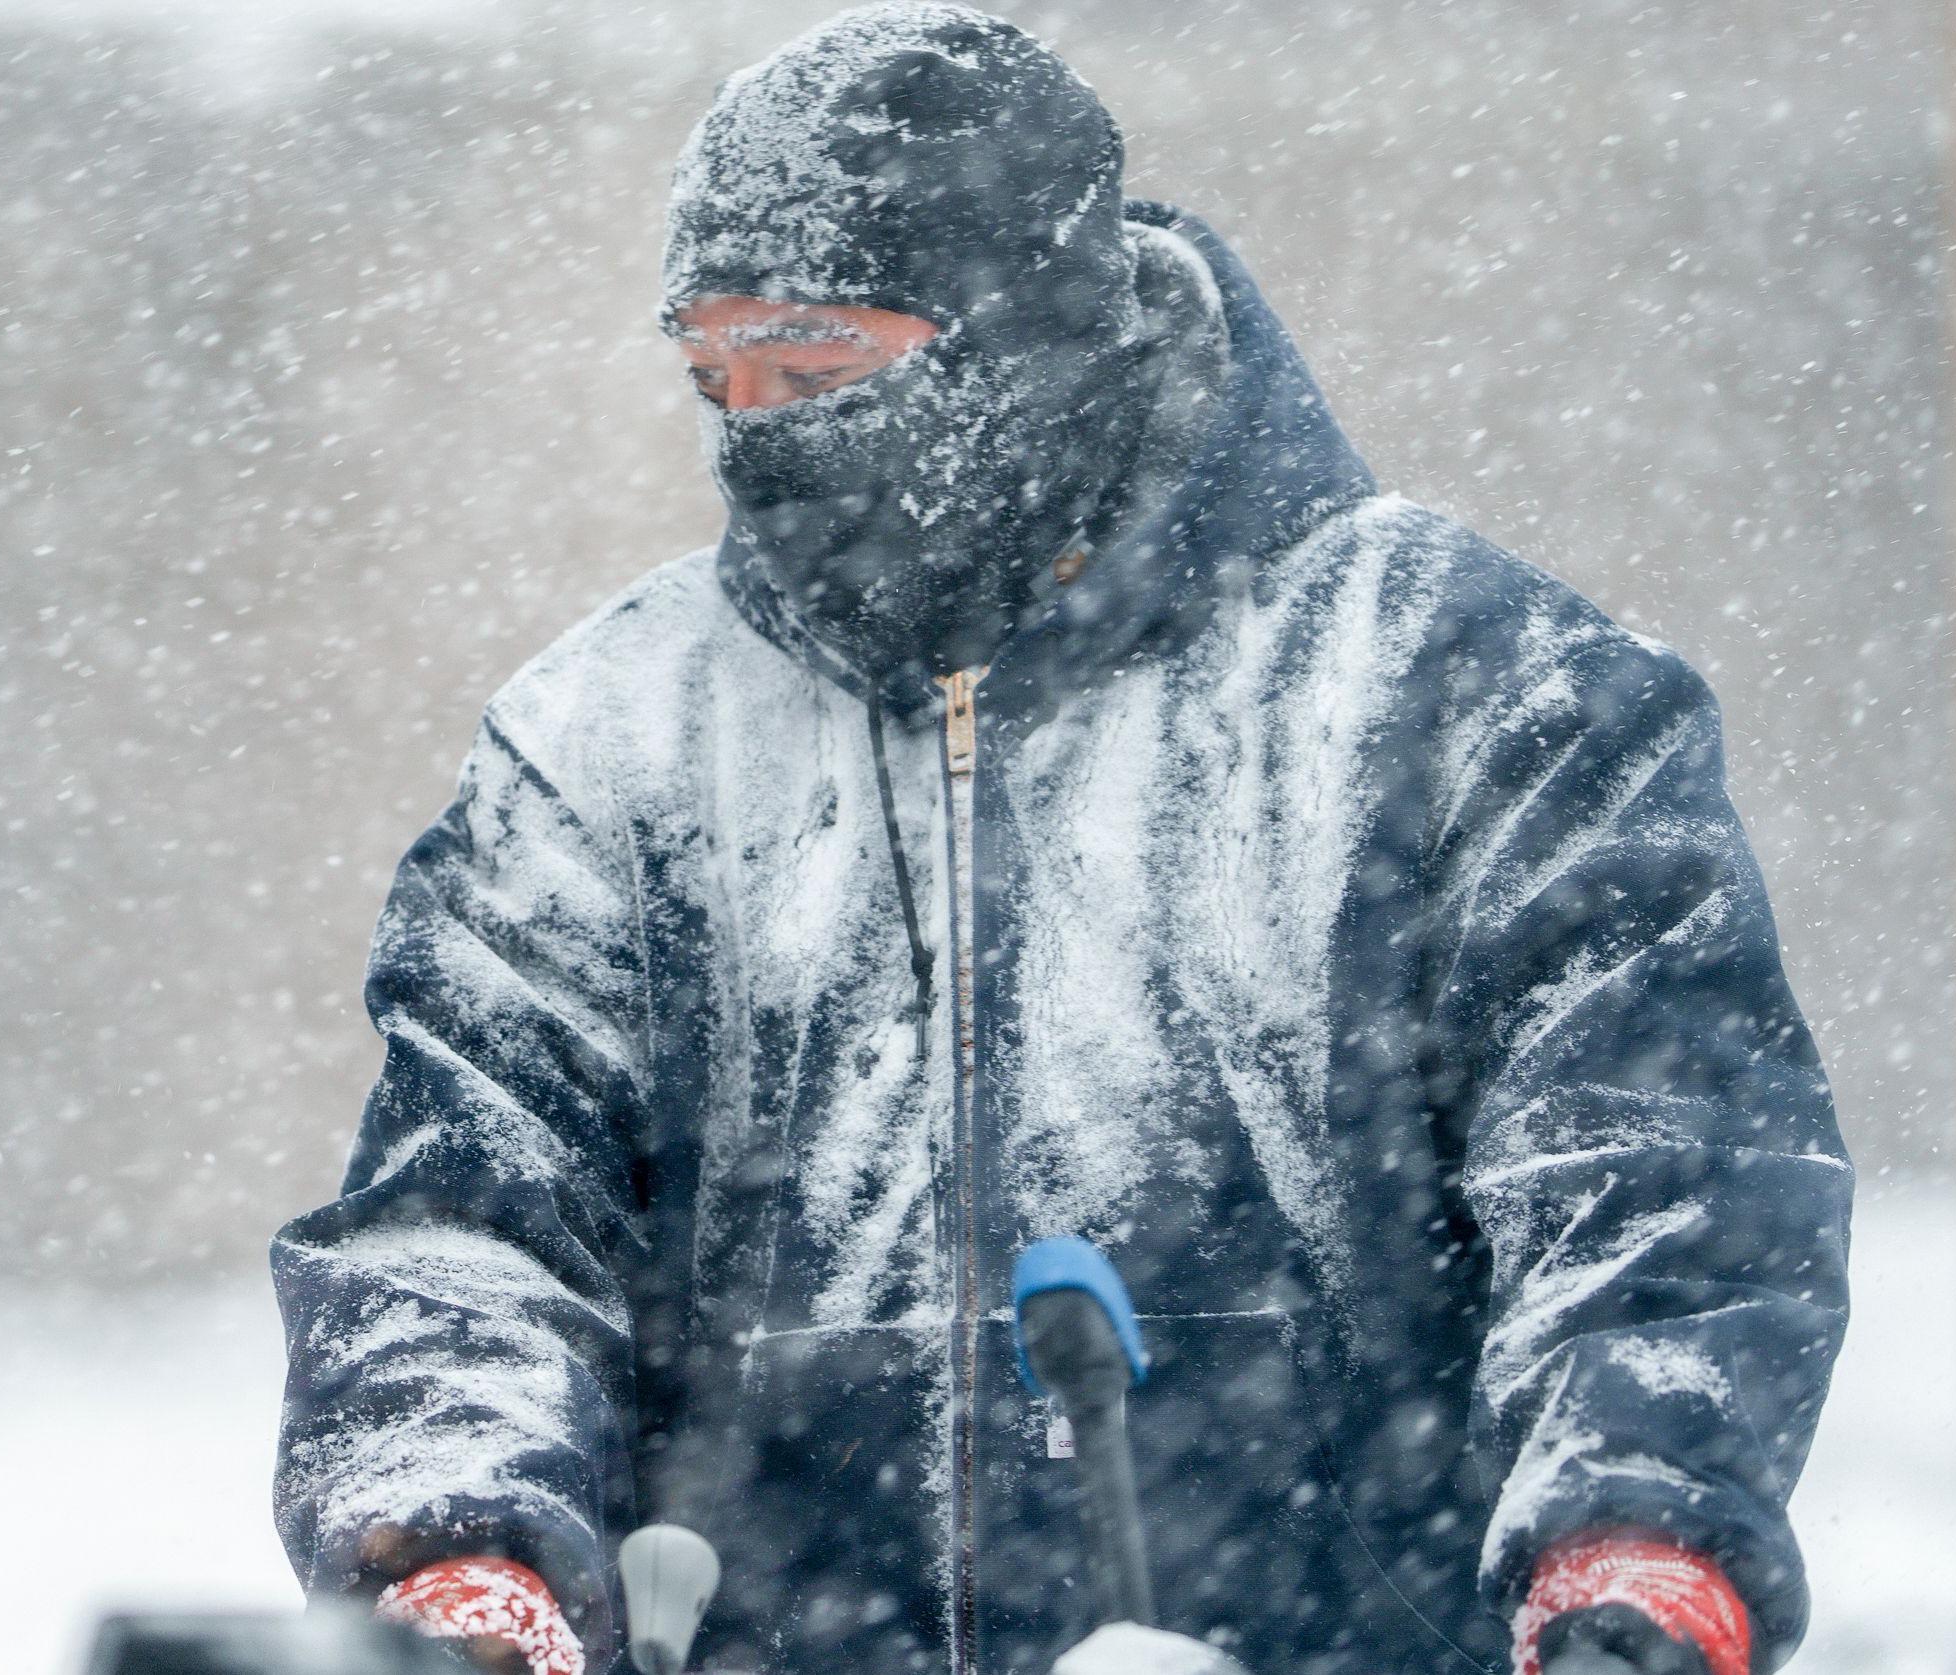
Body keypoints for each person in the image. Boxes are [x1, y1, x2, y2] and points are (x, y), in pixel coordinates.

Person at [271, 8, 1852, 1675]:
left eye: (817, 370)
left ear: (1028, 338)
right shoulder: (609, 738)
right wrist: (458, 1559)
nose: (758, 432)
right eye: (712, 374)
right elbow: (467, 1225)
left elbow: (1656, 1185)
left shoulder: (1464, 693)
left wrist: (1638, 1553)